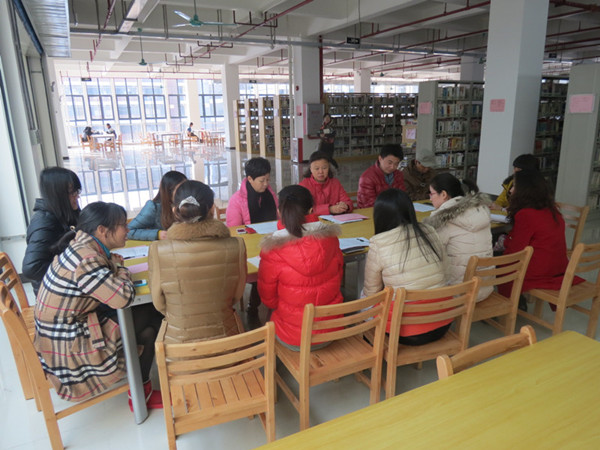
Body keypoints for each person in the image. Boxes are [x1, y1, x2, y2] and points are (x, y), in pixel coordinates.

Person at [34, 202, 163, 410]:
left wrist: (115, 267)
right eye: (122, 225)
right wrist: (121, 269)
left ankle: (141, 390)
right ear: (102, 230)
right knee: (152, 312)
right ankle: (142, 389)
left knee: (149, 329)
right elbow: (122, 298)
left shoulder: (81, 247)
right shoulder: (87, 259)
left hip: (60, 334)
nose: (127, 229)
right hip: (69, 346)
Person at [148, 180, 247, 343]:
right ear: (212, 209)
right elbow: (237, 295)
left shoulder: (158, 250)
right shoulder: (237, 245)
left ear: (175, 210)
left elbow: (159, 304)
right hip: (227, 342)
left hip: (179, 348)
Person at [258, 185, 344, 349]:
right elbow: (338, 278)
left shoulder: (273, 248)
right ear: (311, 210)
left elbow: (269, 299)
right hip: (331, 332)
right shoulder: (331, 239)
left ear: (279, 212)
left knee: (270, 317)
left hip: (293, 338)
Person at [363, 189, 450, 346]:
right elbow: (447, 272)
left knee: (363, 299)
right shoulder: (430, 231)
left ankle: (370, 348)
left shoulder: (379, 243)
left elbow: (371, 294)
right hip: (443, 322)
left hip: (406, 332)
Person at [498, 169, 584, 299]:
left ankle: (506, 302)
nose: (510, 191)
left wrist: (505, 241)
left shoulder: (526, 214)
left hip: (539, 271)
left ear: (525, 190)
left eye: (514, 186)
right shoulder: (552, 210)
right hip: (558, 267)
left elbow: (516, 251)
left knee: (495, 262)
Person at [423, 173, 493, 301]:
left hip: (460, 293)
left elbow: (430, 252)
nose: (430, 198)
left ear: (443, 194)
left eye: (431, 194)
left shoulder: (443, 219)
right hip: (484, 287)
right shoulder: (479, 211)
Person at [22, 167, 82, 296]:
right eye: (72, 192)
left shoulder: (66, 214)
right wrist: (75, 271)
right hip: (56, 294)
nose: (77, 196)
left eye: (77, 191)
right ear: (58, 195)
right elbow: (31, 268)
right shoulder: (44, 221)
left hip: (67, 287)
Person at [127, 170, 187, 241]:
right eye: (180, 190)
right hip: (163, 246)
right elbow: (129, 231)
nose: (185, 193)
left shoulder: (188, 204)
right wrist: (157, 234)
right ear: (169, 191)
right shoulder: (153, 207)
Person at [226, 157, 278, 227]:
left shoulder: (271, 195)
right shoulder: (236, 200)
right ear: (250, 179)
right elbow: (234, 229)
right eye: (261, 181)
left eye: (268, 180)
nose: (266, 184)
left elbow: (279, 220)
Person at [299, 150, 353, 215]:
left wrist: (345, 206)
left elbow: (347, 201)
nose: (321, 172)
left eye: (324, 168)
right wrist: (330, 209)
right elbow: (304, 209)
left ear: (328, 168)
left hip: (336, 219)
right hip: (314, 220)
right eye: (317, 168)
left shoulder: (335, 183)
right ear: (311, 169)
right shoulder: (303, 186)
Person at [357, 144, 406, 208]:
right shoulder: (367, 178)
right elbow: (369, 204)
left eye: (396, 164)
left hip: (393, 210)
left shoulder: (398, 174)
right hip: (372, 211)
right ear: (380, 159)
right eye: (389, 163)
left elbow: (402, 196)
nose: (392, 167)